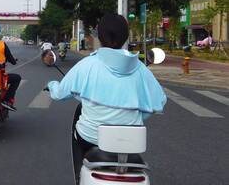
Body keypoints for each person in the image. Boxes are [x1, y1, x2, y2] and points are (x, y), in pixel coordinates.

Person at [46, 14, 167, 179]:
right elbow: (158, 103)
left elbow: (60, 94)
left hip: (90, 138)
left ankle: (79, 176)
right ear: (125, 36)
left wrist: (52, 85)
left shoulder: (87, 65)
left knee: (78, 132)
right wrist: (135, 117)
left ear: (99, 36)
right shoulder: (140, 69)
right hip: (131, 142)